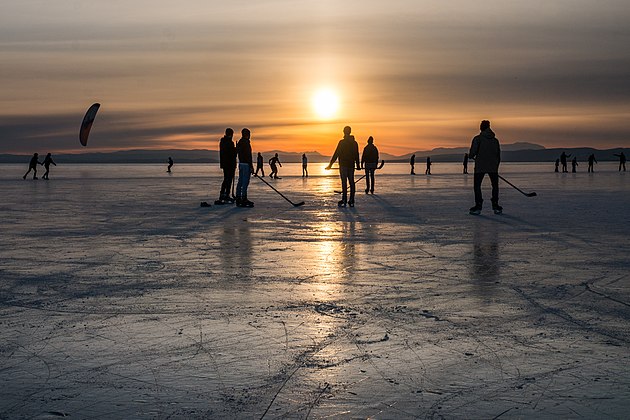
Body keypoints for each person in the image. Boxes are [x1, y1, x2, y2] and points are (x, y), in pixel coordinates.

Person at [468, 120, 502, 215]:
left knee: (477, 186)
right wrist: (496, 166)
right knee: (495, 186)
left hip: (480, 167)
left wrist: (470, 155)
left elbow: (473, 153)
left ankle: (478, 205)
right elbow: (498, 155)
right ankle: (495, 205)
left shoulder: (478, 139)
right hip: (493, 167)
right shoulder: (495, 140)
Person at [326, 126, 360, 207]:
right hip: (351, 165)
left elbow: (336, 153)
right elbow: (356, 155)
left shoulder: (342, 142)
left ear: (344, 132)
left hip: (344, 165)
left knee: (344, 182)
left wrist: (330, 164)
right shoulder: (354, 143)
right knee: (351, 182)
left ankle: (345, 199)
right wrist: (358, 165)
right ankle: (351, 199)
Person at [216, 128, 236, 205]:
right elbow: (230, 154)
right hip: (229, 164)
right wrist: (235, 150)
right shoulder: (228, 142)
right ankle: (225, 194)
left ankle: (224, 194)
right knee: (228, 179)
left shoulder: (224, 142)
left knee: (227, 179)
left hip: (226, 164)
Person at [235, 128, 254, 207]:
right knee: (245, 182)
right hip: (246, 164)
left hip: (241, 164)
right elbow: (248, 156)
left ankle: (238, 198)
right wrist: (251, 166)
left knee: (240, 181)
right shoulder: (246, 143)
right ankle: (244, 199)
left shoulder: (240, 142)